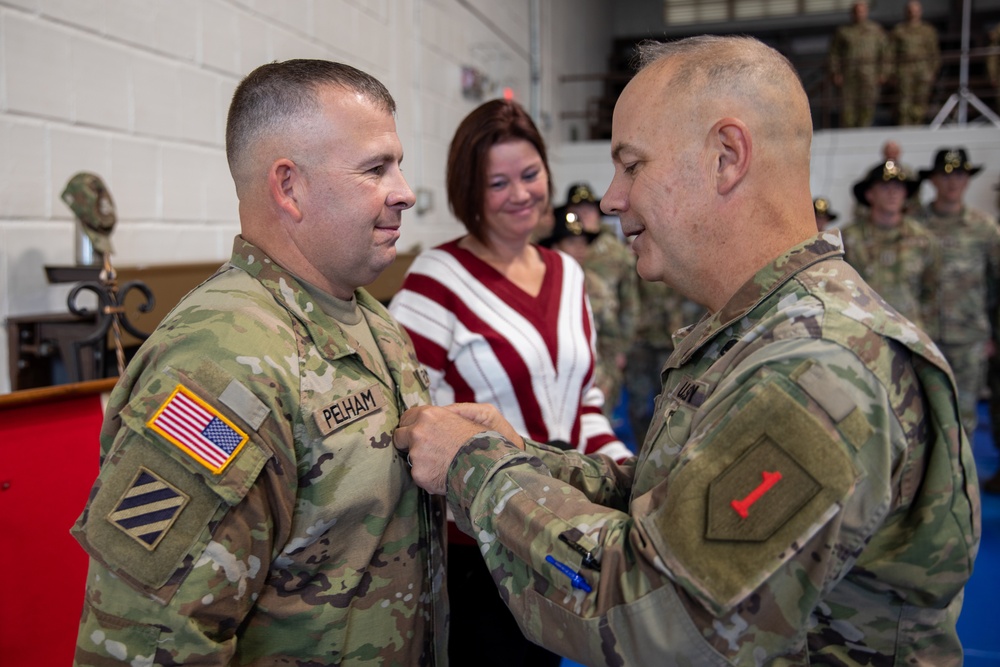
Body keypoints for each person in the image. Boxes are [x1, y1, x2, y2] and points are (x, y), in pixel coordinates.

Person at [395, 35, 981, 665]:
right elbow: (669, 501)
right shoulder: (761, 330)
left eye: (634, 164)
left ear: (727, 157)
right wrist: (521, 456)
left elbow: (663, 618)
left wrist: (476, 468)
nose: (612, 198)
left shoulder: (817, 369)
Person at [70, 60, 448, 666]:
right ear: (288, 187)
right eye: (376, 169)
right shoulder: (218, 364)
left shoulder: (369, 320)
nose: (403, 190)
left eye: (398, 166)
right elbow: (150, 640)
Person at [388, 99, 629, 667]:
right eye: (497, 182)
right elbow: (409, 421)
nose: (520, 194)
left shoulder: (568, 274)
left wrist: (624, 477)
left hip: (563, 529)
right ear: (468, 190)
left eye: (529, 174)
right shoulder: (435, 280)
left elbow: (584, 399)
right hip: (478, 549)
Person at [915, 148, 1000, 488]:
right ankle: (923, 491)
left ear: (967, 181)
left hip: (969, 340)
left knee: (964, 419)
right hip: (924, 338)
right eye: (946, 175)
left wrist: (993, 335)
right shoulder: (914, 225)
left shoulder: (985, 229)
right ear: (934, 180)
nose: (953, 182)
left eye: (960, 175)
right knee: (921, 416)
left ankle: (956, 491)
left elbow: (996, 287)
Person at [565, 182, 640, 417]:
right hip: (569, 349)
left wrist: (622, 350)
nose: (582, 216)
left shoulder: (615, 253)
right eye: (576, 211)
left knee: (598, 416)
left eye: (588, 210)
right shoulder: (558, 245)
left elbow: (629, 303)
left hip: (604, 348)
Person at [841, 160, 940, 337]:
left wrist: (927, 335)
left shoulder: (922, 239)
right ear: (870, 194)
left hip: (910, 335)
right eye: (885, 187)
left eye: (898, 187)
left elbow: (932, 291)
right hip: (863, 334)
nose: (893, 193)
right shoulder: (848, 239)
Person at [829, 1, 890, 128]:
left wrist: (884, 72)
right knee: (847, 107)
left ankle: (864, 129)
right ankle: (849, 132)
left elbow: (885, 53)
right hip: (849, 76)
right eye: (856, 11)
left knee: (867, 105)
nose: (859, 14)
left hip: (869, 76)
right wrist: (836, 72)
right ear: (852, 13)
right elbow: (834, 54)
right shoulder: (843, 32)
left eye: (862, 11)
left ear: (866, 12)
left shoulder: (876, 30)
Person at [890, 0, 940, 125]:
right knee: (903, 104)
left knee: (920, 103)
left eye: (916, 11)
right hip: (904, 72)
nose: (913, 13)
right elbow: (890, 53)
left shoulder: (928, 31)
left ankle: (917, 126)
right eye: (910, 11)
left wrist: (932, 71)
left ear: (920, 12)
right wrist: (892, 73)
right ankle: (904, 129)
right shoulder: (898, 31)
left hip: (923, 72)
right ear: (906, 12)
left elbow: (934, 53)